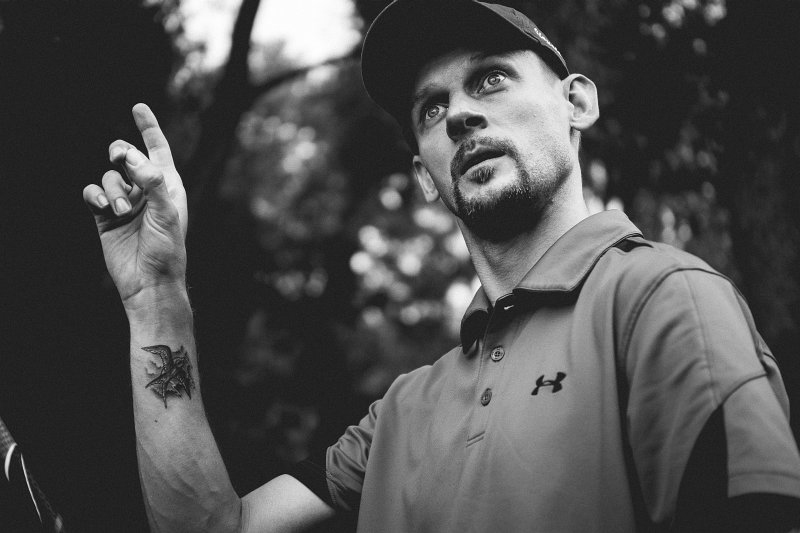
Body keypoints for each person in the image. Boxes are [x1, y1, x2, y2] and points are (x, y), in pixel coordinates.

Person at [82, 0, 800, 531]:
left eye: (490, 79)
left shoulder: (661, 298)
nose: (458, 115)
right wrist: (156, 296)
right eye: (431, 109)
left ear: (576, 102)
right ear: (426, 176)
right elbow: (213, 527)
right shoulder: (400, 414)